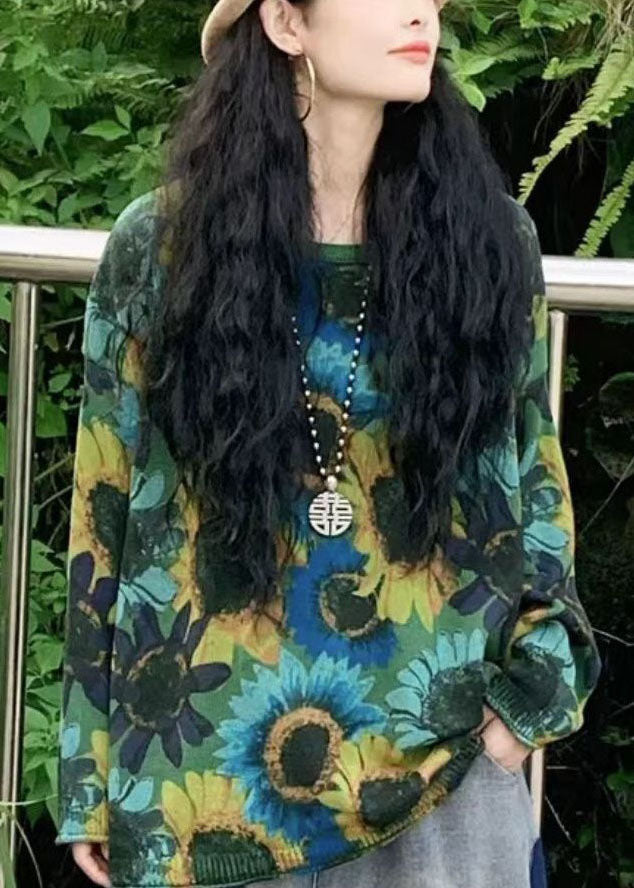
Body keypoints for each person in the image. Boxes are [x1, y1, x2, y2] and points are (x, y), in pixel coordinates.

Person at [54, 1, 602, 886]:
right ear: (284, 21)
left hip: (439, 775)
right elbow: (105, 515)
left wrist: (530, 692)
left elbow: (532, 482)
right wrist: (87, 774)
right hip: (208, 793)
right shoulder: (161, 251)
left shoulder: (487, 244)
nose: (420, 9)